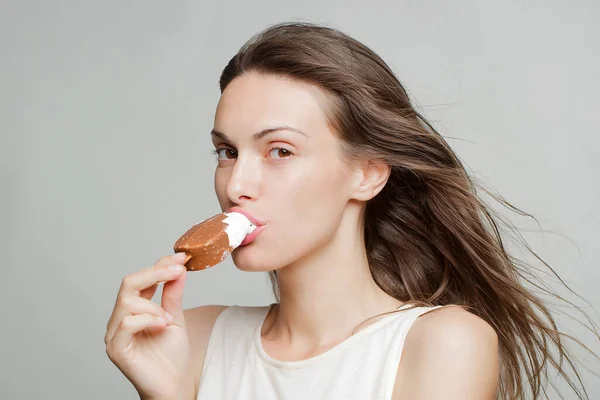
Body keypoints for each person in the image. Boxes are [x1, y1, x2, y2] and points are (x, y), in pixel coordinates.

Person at [105, 22, 599, 399]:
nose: (236, 185)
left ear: (367, 173)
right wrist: (164, 393)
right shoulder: (188, 339)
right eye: (227, 152)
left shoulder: (442, 345)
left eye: (280, 151)